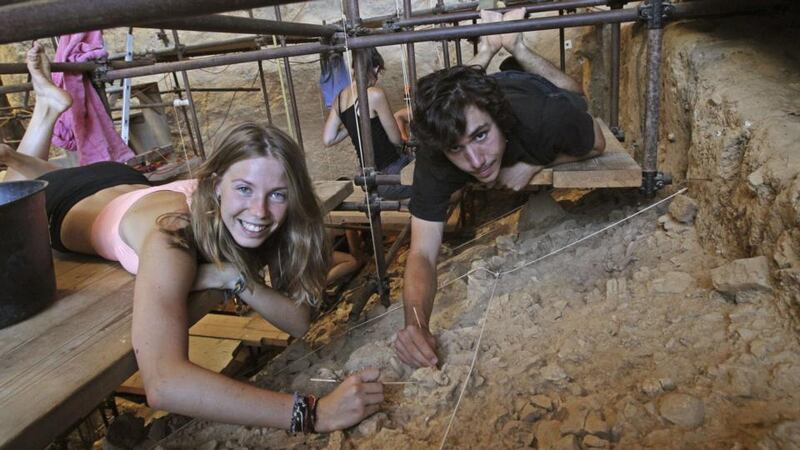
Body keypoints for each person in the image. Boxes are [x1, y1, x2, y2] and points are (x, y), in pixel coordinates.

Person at [1, 42, 383, 433]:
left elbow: (300, 320)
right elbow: (164, 383)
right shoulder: (173, 237)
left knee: (34, 174)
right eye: (245, 190)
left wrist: (234, 279)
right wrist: (313, 414)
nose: (260, 212)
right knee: (20, 189)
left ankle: (38, 124)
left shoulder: (264, 216)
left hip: (122, 180)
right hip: (69, 203)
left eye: (278, 194)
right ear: (216, 185)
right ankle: (41, 116)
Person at [394, 9, 607, 368]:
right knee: (457, 94)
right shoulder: (438, 150)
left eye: (481, 136)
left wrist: (539, 162)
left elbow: (598, 142)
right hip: (487, 91)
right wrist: (416, 326)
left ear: (500, 123)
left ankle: (516, 47)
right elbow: (422, 253)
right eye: (457, 149)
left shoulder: (544, 119)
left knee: (574, 94)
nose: (476, 161)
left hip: (536, 90)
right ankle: (492, 44)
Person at [322, 48, 412, 200]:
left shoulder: (339, 98)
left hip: (368, 178)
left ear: (353, 68)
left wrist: (353, 122)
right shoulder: (374, 94)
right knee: (441, 177)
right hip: (391, 177)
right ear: (376, 68)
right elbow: (396, 139)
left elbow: (328, 139)